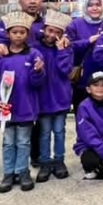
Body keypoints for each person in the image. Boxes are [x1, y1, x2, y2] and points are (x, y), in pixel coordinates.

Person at [0, 11, 45, 193]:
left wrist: (37, 72)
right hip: (6, 109)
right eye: (14, 32)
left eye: (22, 32)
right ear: (8, 34)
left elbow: (37, 84)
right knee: (9, 142)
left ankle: (23, 171)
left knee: (24, 141)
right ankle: (8, 173)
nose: (18, 35)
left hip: (26, 107)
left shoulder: (34, 54)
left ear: (28, 34)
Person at [35, 10, 74, 182]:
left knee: (59, 131)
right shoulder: (34, 49)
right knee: (44, 133)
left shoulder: (66, 48)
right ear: (44, 29)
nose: (53, 35)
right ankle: (44, 162)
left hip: (61, 97)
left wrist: (61, 52)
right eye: (50, 31)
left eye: (57, 32)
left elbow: (65, 70)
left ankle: (59, 160)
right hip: (43, 98)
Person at [66, 0, 103, 112]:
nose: (94, 8)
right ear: (85, 7)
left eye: (98, 5)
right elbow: (69, 46)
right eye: (90, 5)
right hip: (82, 78)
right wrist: (88, 41)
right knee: (82, 112)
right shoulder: (75, 24)